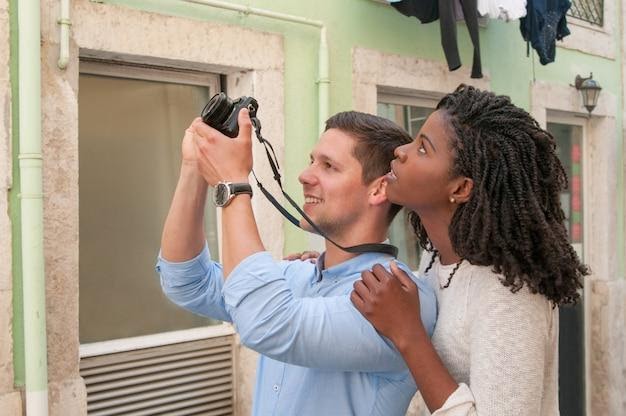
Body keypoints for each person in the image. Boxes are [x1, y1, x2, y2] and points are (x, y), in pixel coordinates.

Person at [156, 108, 437, 416]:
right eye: (311, 160)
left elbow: (269, 323)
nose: (305, 176)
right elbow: (188, 283)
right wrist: (194, 166)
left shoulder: (400, 299)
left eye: (328, 166)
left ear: (379, 189)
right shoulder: (295, 275)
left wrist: (233, 185)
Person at [351, 84, 588, 415]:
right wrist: (328, 268)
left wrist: (409, 335)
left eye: (423, 149)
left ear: (461, 188)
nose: (401, 151)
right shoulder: (438, 255)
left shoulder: (510, 293)